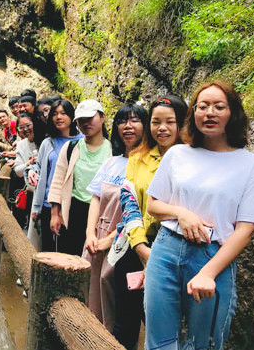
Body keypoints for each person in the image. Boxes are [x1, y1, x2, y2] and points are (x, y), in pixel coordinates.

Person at [144, 81, 254, 350]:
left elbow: (245, 229)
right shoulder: (177, 154)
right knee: (159, 342)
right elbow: (153, 205)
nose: (209, 113)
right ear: (193, 113)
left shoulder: (252, 165)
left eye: (219, 107)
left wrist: (208, 273)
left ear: (233, 114)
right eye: (203, 106)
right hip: (166, 250)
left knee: (205, 343)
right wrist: (181, 213)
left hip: (213, 256)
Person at [110, 95, 187, 350]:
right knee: (126, 320)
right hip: (135, 245)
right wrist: (141, 248)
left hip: (175, 251)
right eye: (156, 122)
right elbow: (129, 202)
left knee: (164, 324)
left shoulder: (193, 161)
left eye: (170, 122)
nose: (162, 128)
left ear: (182, 123)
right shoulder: (137, 157)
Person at [82, 103, 147, 332]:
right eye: (122, 121)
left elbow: (142, 212)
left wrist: (110, 240)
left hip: (123, 243)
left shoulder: (148, 165)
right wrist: (90, 234)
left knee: (117, 305)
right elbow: (96, 198)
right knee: (91, 295)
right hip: (96, 240)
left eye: (135, 120)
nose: (128, 126)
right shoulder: (111, 162)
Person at [48, 99, 111, 256]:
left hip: (101, 211)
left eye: (90, 118)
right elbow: (58, 181)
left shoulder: (113, 150)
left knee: (94, 255)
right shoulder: (71, 148)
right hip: (74, 209)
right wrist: (55, 214)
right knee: (69, 256)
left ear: (102, 117)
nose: (85, 123)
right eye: (81, 120)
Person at [28, 99, 83, 252]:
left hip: (73, 203)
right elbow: (40, 169)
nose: (59, 117)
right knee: (49, 249)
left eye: (63, 113)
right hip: (48, 204)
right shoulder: (48, 143)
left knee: (71, 250)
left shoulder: (83, 141)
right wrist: (31, 170)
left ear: (72, 116)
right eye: (55, 114)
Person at [13, 112, 38, 229]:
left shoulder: (45, 141)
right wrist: (28, 164)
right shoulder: (21, 145)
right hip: (31, 192)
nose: (25, 129)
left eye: (28, 125)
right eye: (21, 127)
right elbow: (18, 171)